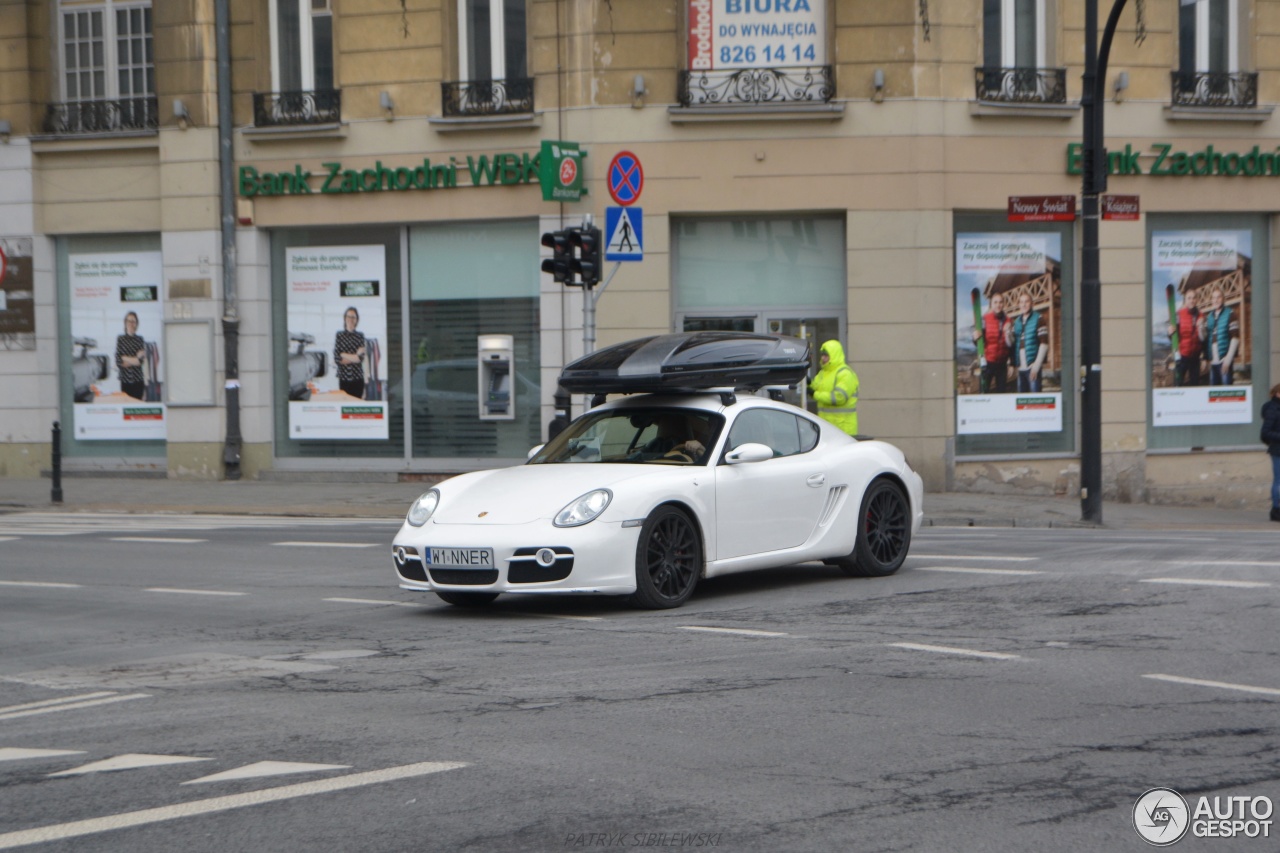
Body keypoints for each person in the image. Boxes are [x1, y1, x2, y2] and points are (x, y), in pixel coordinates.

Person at [808, 339, 859, 436]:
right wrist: (809, 383)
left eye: (826, 355)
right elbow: (817, 387)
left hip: (844, 428)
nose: (823, 358)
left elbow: (839, 397)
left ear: (834, 355)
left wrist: (814, 394)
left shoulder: (845, 373)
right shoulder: (824, 372)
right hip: (827, 426)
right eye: (822, 355)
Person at [1007, 291, 1048, 393]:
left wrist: (1036, 366)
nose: (1024, 304)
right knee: (1022, 402)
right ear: (1019, 305)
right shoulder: (1016, 322)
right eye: (1021, 302)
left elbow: (1044, 344)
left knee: (1035, 400)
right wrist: (1012, 364)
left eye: (1027, 301)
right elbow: (1012, 345)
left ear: (1031, 303)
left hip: (1032, 367)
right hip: (1020, 369)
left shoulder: (1039, 318)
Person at [972, 292, 1011, 392]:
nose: (998, 305)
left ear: (1003, 304)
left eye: (1000, 302)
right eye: (995, 302)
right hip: (988, 363)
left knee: (1001, 393)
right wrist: (975, 338)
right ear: (991, 304)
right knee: (984, 391)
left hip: (1002, 365)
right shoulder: (985, 319)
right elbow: (979, 341)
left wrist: (1011, 363)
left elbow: (1011, 344)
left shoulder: (1008, 320)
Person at [1167, 288, 1204, 387]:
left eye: (1194, 298)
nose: (1192, 300)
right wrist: (1170, 333)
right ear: (1185, 300)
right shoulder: (1179, 314)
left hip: (1195, 358)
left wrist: (1203, 356)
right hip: (1182, 356)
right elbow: (1173, 336)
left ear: (1197, 300)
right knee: (1178, 384)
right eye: (1189, 298)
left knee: (1194, 385)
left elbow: (1203, 337)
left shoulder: (1201, 315)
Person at [1203, 285, 1239, 386]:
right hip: (1213, 362)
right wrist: (1206, 358)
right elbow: (1206, 339)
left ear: (1223, 298)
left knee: (1227, 393)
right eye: (1214, 297)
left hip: (1224, 360)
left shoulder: (1230, 313)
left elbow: (1235, 338)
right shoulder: (1209, 317)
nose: (1216, 300)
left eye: (1218, 297)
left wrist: (1228, 359)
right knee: (1214, 394)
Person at [635, 413, 706, 462]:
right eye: (665, 424)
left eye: (676, 425)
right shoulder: (654, 445)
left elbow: (710, 461)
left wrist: (700, 447)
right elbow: (635, 456)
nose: (667, 428)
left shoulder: (691, 449)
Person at [334, 306, 367, 399]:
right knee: (345, 409)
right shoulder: (339, 335)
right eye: (348, 316)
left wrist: (343, 354)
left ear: (357, 320)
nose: (351, 319)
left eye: (353, 317)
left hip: (358, 379)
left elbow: (360, 359)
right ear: (345, 318)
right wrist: (355, 356)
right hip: (344, 379)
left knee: (357, 408)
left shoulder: (360, 335)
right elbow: (337, 359)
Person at [115, 311, 146, 400]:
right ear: (125, 323)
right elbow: (119, 362)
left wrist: (124, 357)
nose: (131, 324)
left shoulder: (140, 339)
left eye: (133, 321)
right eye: (129, 321)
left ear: (136, 324)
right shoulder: (120, 339)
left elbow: (140, 362)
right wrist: (135, 358)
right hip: (125, 382)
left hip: (138, 381)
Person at [1262, 383, 1280, 522]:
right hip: (1277, 450)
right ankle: (1276, 510)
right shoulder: (1273, 409)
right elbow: (1265, 432)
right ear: (1277, 394)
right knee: (1278, 481)